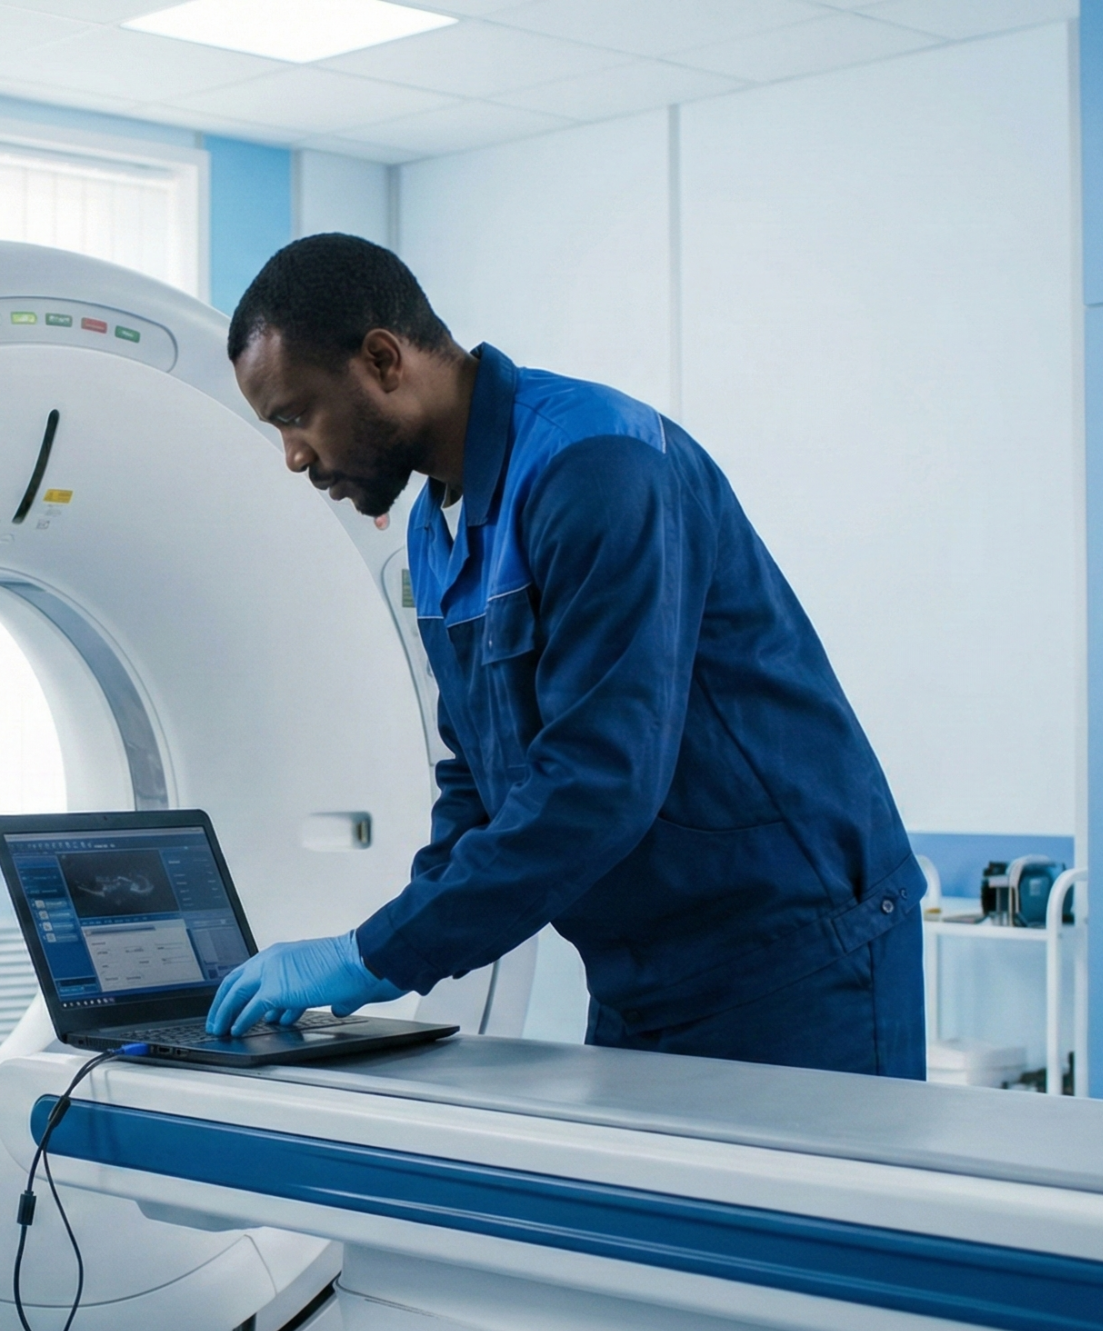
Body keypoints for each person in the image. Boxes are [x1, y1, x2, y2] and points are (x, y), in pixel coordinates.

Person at [203, 234, 923, 1078]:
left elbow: (601, 779)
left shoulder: (597, 464)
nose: (293, 456)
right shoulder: (436, 530)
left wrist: (373, 955)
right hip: (640, 971)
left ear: (383, 360)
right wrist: (393, 939)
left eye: (296, 416)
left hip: (795, 954)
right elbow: (478, 783)